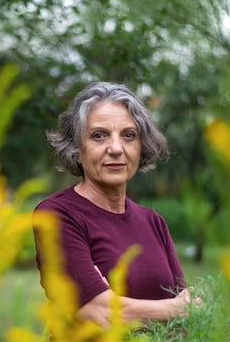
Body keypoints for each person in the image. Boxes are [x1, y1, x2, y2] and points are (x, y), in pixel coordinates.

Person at [33, 81, 198, 329]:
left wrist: (125, 306)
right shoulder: (57, 215)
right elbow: (101, 315)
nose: (116, 149)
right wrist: (174, 309)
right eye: (99, 135)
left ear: (141, 147)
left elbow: (184, 326)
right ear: (77, 148)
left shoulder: (153, 222)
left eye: (128, 135)